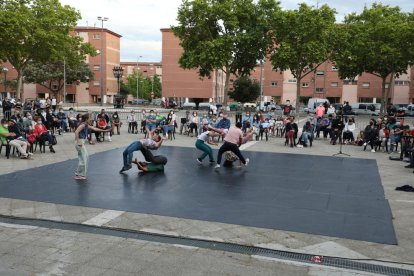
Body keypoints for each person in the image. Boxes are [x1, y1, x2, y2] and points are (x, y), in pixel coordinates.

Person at [74, 113, 112, 180]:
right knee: (84, 159)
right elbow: (76, 132)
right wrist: (78, 141)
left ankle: (78, 173)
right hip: (79, 142)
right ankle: (79, 175)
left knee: (85, 157)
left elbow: (95, 129)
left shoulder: (85, 124)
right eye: (90, 118)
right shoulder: (83, 124)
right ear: (86, 119)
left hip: (81, 142)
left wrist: (105, 130)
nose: (91, 119)